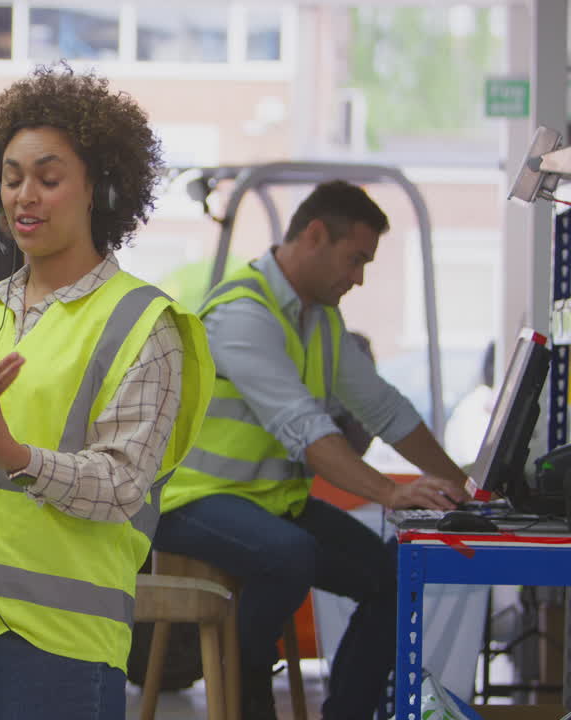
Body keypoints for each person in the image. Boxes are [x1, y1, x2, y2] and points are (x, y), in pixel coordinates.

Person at [0, 64, 215, 720]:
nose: (24, 196)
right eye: (10, 178)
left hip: (63, 637)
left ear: (99, 187)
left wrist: (8, 451)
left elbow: (122, 485)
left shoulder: (143, 323)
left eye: (48, 177)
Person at [155, 180, 471, 720]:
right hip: (191, 502)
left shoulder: (319, 318)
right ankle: (246, 683)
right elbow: (306, 431)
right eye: (355, 260)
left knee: (398, 575)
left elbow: (384, 408)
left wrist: (466, 488)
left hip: (269, 504)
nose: (359, 277)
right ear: (315, 236)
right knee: (289, 554)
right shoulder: (242, 314)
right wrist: (392, 492)